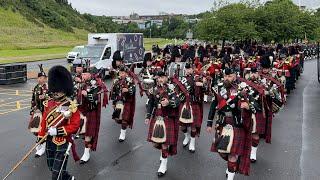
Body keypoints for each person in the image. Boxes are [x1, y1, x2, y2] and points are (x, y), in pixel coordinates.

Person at [207, 67, 253, 180]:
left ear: (235, 76)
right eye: (226, 76)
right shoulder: (218, 87)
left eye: (230, 76)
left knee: (233, 153)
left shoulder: (242, 88)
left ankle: (230, 174)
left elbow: (254, 105)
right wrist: (209, 123)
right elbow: (213, 105)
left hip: (236, 123)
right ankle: (231, 166)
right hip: (222, 122)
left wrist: (248, 107)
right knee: (222, 151)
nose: (227, 78)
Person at [38, 65, 81, 180]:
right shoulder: (49, 103)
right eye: (55, 89)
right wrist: (41, 137)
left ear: (65, 89)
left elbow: (75, 126)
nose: (56, 92)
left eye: (59, 90)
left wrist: (57, 131)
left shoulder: (70, 105)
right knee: (53, 168)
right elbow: (44, 121)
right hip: (49, 141)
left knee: (56, 175)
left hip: (62, 142)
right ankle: (68, 178)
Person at [145, 71, 181, 177]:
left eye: (163, 77)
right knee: (158, 142)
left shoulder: (172, 88)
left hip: (168, 118)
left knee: (165, 143)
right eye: (159, 77)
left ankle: (163, 165)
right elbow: (150, 103)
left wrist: (169, 102)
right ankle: (163, 155)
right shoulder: (154, 89)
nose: (160, 79)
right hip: (157, 117)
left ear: (166, 78)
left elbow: (178, 101)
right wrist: (148, 116)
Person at [78, 67, 108, 164]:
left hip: (91, 111)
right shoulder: (81, 84)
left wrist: (87, 95)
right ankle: (87, 147)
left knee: (88, 134)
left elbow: (95, 100)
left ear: (90, 74)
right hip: (81, 112)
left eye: (85, 74)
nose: (83, 76)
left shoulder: (96, 85)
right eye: (82, 74)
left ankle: (86, 153)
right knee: (82, 133)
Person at [179, 63, 206, 152]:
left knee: (193, 125)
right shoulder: (181, 78)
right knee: (182, 125)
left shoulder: (197, 77)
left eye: (189, 68)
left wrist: (203, 84)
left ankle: (192, 142)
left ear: (193, 68)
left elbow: (206, 90)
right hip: (184, 103)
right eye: (186, 69)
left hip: (194, 103)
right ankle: (186, 136)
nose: (187, 70)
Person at [110, 65, 136, 142]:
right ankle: (122, 128)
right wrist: (113, 102)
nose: (122, 74)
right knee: (118, 119)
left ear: (126, 73)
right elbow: (113, 92)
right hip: (118, 101)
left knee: (125, 118)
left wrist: (128, 90)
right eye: (120, 73)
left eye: (123, 73)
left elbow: (133, 90)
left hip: (127, 101)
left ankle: (122, 133)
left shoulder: (130, 80)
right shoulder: (116, 81)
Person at [29, 64, 48, 158]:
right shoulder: (36, 87)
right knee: (36, 129)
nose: (41, 79)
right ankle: (40, 144)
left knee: (43, 130)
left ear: (45, 78)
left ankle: (42, 147)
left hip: (46, 112)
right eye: (39, 77)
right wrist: (32, 110)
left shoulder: (48, 87)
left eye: (43, 77)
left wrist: (46, 96)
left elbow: (54, 97)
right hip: (37, 112)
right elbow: (33, 100)